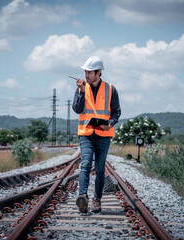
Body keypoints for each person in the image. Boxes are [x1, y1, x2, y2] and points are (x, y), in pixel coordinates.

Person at [72, 56, 121, 213]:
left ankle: (96, 200)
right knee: (86, 164)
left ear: (98, 72)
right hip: (85, 133)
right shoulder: (81, 88)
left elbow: (116, 112)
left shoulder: (111, 89)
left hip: (103, 134)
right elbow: (77, 109)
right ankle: (83, 197)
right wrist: (80, 91)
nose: (86, 75)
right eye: (85, 71)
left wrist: (110, 123)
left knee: (100, 168)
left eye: (90, 72)